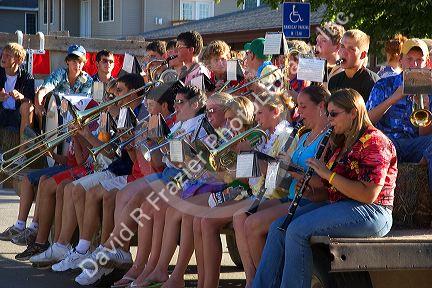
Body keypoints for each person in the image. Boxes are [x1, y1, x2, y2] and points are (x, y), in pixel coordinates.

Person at [254, 88, 397, 288]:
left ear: (353, 113)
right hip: (341, 204)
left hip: (373, 212)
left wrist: (328, 174)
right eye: (328, 113)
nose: (329, 119)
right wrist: (312, 190)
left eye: (334, 114)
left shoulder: (375, 141)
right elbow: (329, 190)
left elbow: (368, 194)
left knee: (296, 230)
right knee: (279, 227)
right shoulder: (341, 141)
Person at [28, 74, 144, 268]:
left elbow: (112, 153)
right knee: (75, 189)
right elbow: (107, 151)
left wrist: (92, 133)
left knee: (88, 192)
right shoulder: (122, 113)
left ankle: (90, 250)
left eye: (119, 91)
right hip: (116, 168)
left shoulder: (138, 114)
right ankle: (74, 247)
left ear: (133, 93)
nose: (115, 96)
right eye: (113, 92)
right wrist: (83, 135)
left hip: (124, 170)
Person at [194, 94, 294, 288]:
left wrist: (250, 154)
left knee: (237, 218)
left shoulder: (286, 136)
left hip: (270, 195)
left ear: (275, 112)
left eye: (260, 113)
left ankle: (251, 279)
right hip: (255, 193)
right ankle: (207, 283)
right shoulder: (264, 135)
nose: (257, 118)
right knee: (203, 220)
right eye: (256, 113)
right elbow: (247, 177)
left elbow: (276, 179)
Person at [234, 85, 330, 286]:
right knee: (242, 215)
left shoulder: (326, 138)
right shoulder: (304, 135)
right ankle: (258, 280)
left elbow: (319, 182)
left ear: (321, 106)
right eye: (298, 106)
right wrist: (264, 161)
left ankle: (267, 282)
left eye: (303, 107)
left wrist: (286, 167)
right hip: (291, 194)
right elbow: (282, 177)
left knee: (253, 224)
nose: (299, 112)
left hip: (306, 199)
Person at [366, 38, 432, 190]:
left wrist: (426, 107)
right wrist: (392, 99)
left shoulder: (429, 89)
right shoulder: (383, 84)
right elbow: (367, 121)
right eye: (409, 59)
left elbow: (425, 135)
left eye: (419, 60)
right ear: (401, 60)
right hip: (388, 142)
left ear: (426, 63)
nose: (414, 65)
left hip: (415, 145)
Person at [34, 44, 93, 118]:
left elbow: (85, 102)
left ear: (84, 63)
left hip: (77, 117)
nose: (77, 65)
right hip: (54, 115)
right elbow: (43, 90)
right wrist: (39, 106)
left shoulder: (88, 80)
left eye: (80, 61)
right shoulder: (59, 74)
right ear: (67, 61)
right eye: (74, 61)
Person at [328, 29, 380, 102]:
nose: (343, 52)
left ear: (362, 55)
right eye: (342, 46)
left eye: (351, 49)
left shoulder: (372, 83)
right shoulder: (334, 80)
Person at [0, 42, 35, 143]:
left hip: (17, 115)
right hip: (1, 111)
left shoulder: (27, 77)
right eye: (3, 54)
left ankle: (22, 153)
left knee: (27, 106)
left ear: (18, 60)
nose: (3, 57)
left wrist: (21, 97)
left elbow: (30, 101)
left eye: (8, 55)